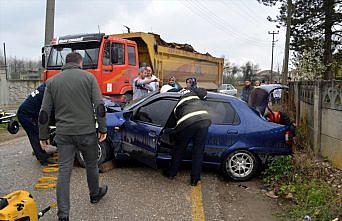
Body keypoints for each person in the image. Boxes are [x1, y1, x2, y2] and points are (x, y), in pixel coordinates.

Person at [38, 52, 108, 221]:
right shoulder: (89, 78)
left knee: (64, 172)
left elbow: (44, 112)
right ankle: (94, 194)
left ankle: (63, 215)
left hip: (64, 134)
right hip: (87, 132)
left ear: (65, 63)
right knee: (91, 165)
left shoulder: (52, 82)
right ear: (80, 62)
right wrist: (103, 128)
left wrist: (43, 135)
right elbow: (99, 106)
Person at [163, 77, 211, 186]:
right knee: (198, 151)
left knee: (179, 149)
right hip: (204, 119)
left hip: (188, 121)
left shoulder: (175, 95)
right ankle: (195, 179)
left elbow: (170, 123)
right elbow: (204, 92)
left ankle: (171, 173)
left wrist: (171, 132)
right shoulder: (192, 92)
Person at [17, 83, 55, 165]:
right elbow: (48, 109)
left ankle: (44, 150)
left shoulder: (47, 86)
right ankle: (44, 158)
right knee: (36, 134)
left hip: (31, 113)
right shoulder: (47, 91)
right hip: (26, 115)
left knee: (43, 130)